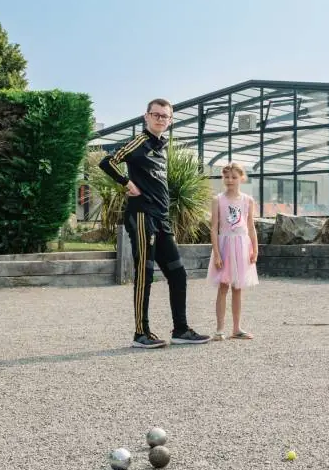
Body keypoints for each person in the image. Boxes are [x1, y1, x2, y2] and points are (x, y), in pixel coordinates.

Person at [100, 98, 210, 348]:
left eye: (165, 116)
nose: (160, 119)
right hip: (141, 216)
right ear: (146, 117)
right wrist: (126, 183)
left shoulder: (162, 147)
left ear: (170, 121)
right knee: (145, 273)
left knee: (178, 274)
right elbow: (107, 162)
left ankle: (180, 330)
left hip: (161, 218)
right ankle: (141, 333)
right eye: (156, 114)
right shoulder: (139, 142)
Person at [207, 163, 259, 340]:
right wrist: (217, 253)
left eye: (234, 177)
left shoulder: (248, 200)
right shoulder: (218, 200)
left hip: (242, 247)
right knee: (223, 286)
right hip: (225, 246)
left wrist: (255, 249)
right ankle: (220, 329)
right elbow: (214, 228)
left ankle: (236, 328)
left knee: (238, 287)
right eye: (227, 177)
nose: (230, 180)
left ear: (241, 178)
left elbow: (251, 227)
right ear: (223, 178)